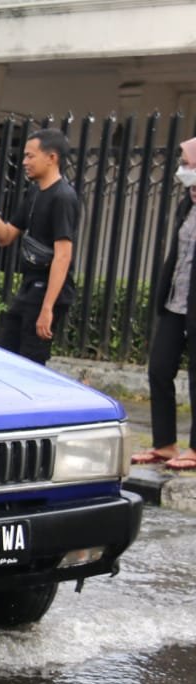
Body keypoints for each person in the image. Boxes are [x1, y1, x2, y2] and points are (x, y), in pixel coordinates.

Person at [0, 129, 80, 365]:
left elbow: (63, 256)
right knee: (6, 355)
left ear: (51, 158)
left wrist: (47, 309)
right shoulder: (34, 193)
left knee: (31, 363)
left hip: (47, 292)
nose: (24, 162)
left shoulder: (63, 197)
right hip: (29, 287)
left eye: (30, 156)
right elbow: (5, 236)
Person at [131, 137, 196, 470]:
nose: (182, 169)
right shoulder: (187, 203)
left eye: (187, 163)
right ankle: (165, 444)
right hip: (176, 301)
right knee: (159, 368)